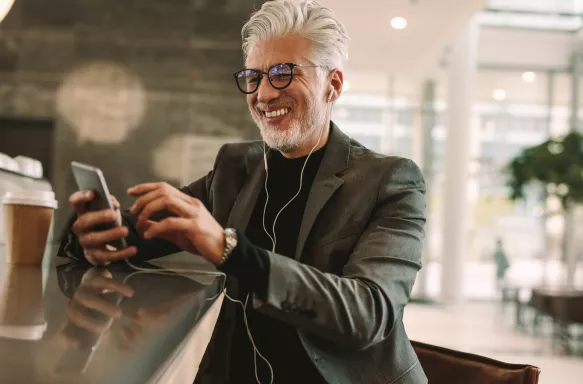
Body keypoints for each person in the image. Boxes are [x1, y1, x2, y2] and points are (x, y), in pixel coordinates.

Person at [59, 1, 428, 383]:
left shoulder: (390, 181)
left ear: (332, 85)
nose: (264, 94)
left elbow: (369, 314)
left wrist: (230, 250)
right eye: (254, 77)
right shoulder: (235, 168)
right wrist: (94, 233)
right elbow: (139, 235)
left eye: (283, 73)